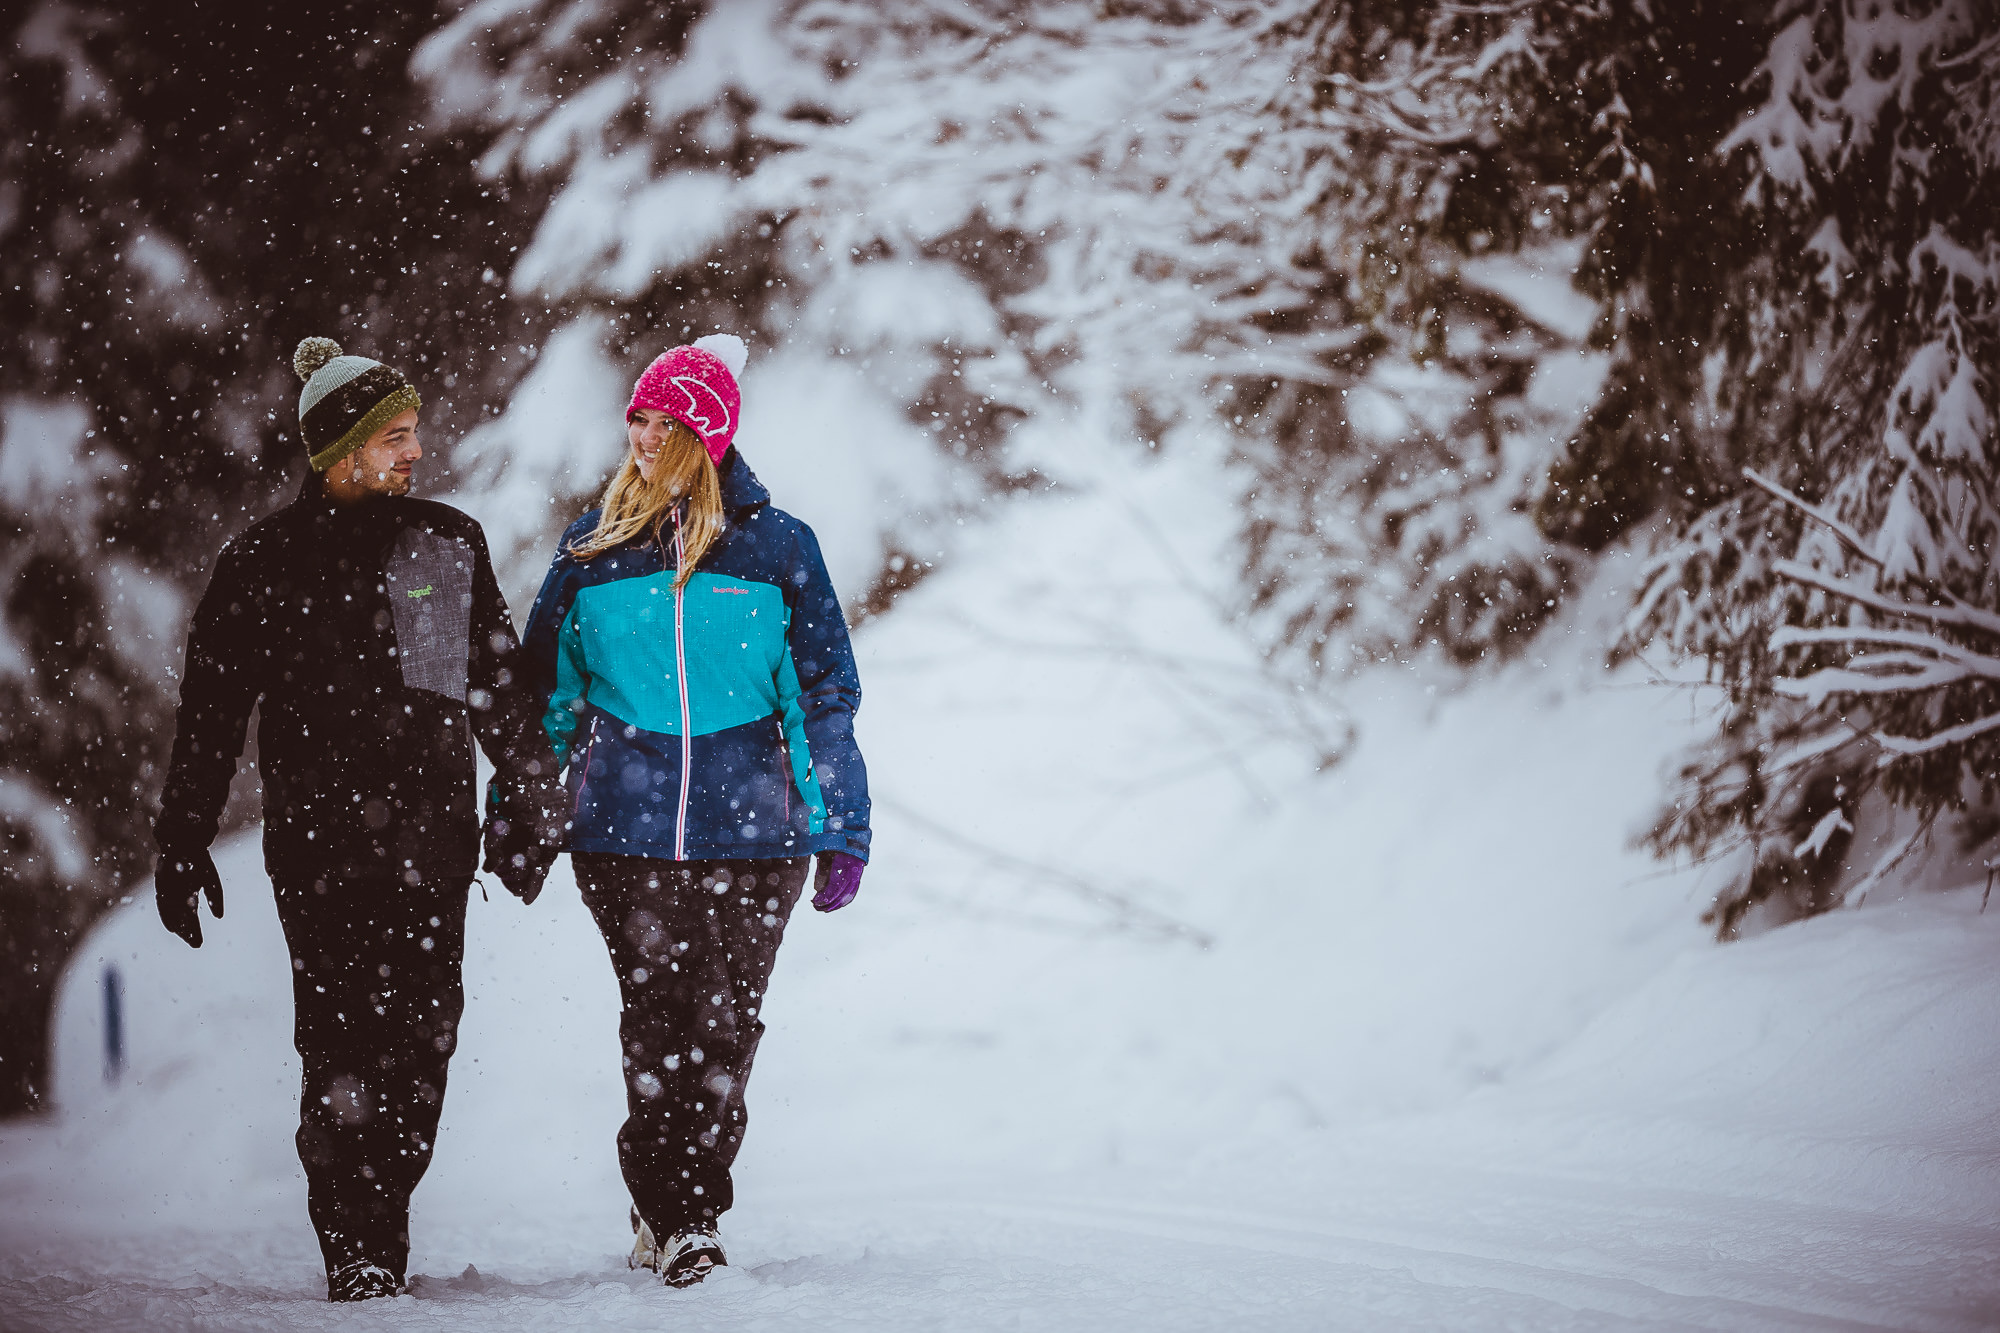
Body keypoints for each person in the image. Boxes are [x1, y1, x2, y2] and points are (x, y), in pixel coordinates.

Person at [151, 336, 567, 1302]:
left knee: (425, 1046)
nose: (417, 451)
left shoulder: (443, 544)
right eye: (398, 437)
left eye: (417, 433)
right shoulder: (261, 564)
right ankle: (358, 1245)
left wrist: (533, 803)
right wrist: (182, 838)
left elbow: (498, 690)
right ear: (340, 448)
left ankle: (385, 1214)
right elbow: (211, 715)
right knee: (339, 1050)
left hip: (431, 850)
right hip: (321, 858)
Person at [519, 333, 870, 1287]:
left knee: (725, 1024)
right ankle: (685, 1215)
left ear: (707, 435)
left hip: (756, 837)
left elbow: (824, 695)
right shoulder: (593, 548)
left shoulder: (778, 546)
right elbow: (548, 695)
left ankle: (671, 1192)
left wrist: (840, 820)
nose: (642, 436)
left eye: (663, 422)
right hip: (624, 837)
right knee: (660, 1012)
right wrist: (524, 811)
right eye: (636, 417)